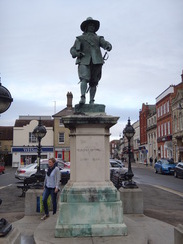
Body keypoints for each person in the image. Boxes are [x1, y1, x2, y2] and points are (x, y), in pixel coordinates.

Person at [70, 17, 112, 104]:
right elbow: (73, 49)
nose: (92, 27)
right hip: (84, 60)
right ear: (86, 27)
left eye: (93, 25)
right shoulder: (80, 38)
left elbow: (105, 43)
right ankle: (83, 97)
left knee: (94, 82)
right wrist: (77, 54)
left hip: (96, 61)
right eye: (90, 25)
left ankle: (92, 100)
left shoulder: (99, 38)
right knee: (84, 79)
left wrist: (108, 46)